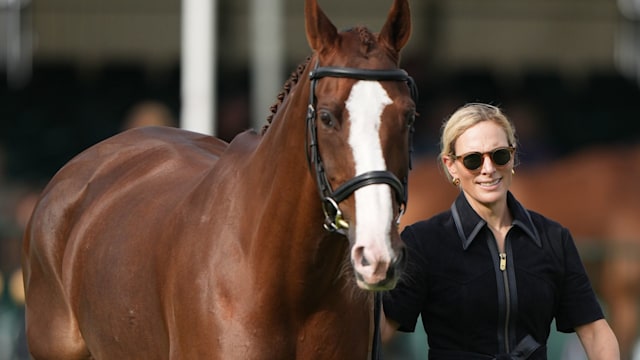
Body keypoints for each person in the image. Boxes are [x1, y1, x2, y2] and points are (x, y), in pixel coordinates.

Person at [381, 103, 620, 359]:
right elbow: (381, 331)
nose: (488, 169)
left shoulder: (554, 238)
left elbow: (595, 331)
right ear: (451, 166)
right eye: (473, 159)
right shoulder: (423, 241)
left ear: (513, 156)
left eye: (499, 155)